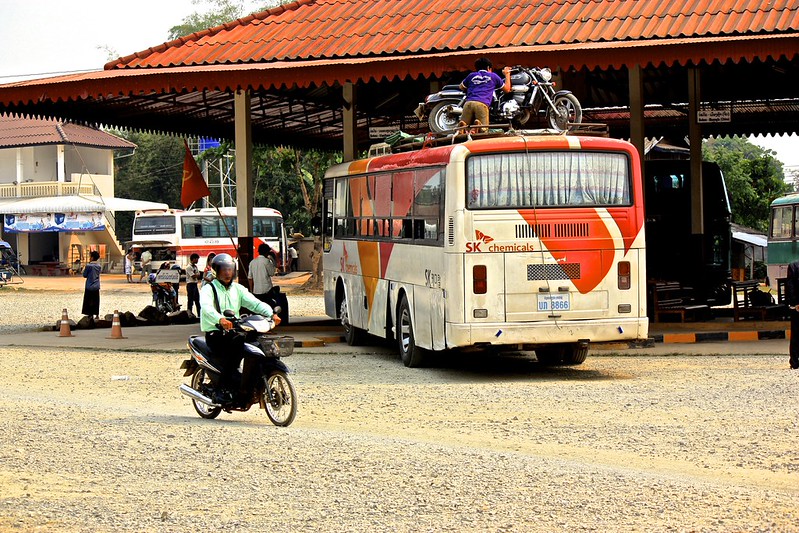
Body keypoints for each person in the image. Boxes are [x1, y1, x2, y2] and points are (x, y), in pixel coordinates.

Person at [200, 253, 276, 401]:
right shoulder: (209, 289)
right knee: (233, 354)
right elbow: (207, 308)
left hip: (234, 331)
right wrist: (220, 319)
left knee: (256, 346)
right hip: (216, 334)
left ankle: (248, 384)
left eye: (230, 270)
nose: (227, 273)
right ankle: (221, 389)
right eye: (224, 270)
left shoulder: (238, 289)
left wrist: (271, 314)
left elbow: (254, 303)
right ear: (216, 271)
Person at [458, 57, 511, 133]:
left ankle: (463, 126)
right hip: (482, 104)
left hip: (468, 103)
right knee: (484, 130)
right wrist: (507, 74)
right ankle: (478, 126)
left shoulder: (471, 75)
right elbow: (507, 89)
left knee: (461, 130)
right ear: (488, 68)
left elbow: (461, 87)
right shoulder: (493, 76)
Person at [785, 260, 799, 369]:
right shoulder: (793, 266)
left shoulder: (793, 266)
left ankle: (794, 361)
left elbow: (790, 287)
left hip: (797, 306)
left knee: (796, 333)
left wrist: (794, 303)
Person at [81, 250, 102, 319]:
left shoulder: (89, 266)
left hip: (89, 285)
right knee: (96, 300)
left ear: (92, 257)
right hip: (96, 285)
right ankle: (96, 314)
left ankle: (90, 314)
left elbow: (84, 275)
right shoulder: (99, 266)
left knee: (88, 300)